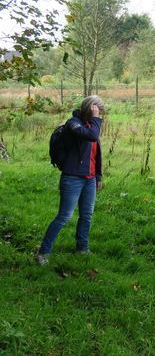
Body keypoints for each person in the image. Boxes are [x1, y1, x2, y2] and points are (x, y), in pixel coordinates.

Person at [36, 95, 105, 265]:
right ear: (91, 108)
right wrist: (96, 119)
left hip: (89, 179)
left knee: (87, 215)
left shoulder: (91, 125)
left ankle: (82, 248)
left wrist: (98, 176)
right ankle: (43, 252)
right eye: (99, 109)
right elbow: (91, 136)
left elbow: (96, 154)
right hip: (73, 177)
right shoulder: (73, 123)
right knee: (64, 216)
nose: (101, 112)